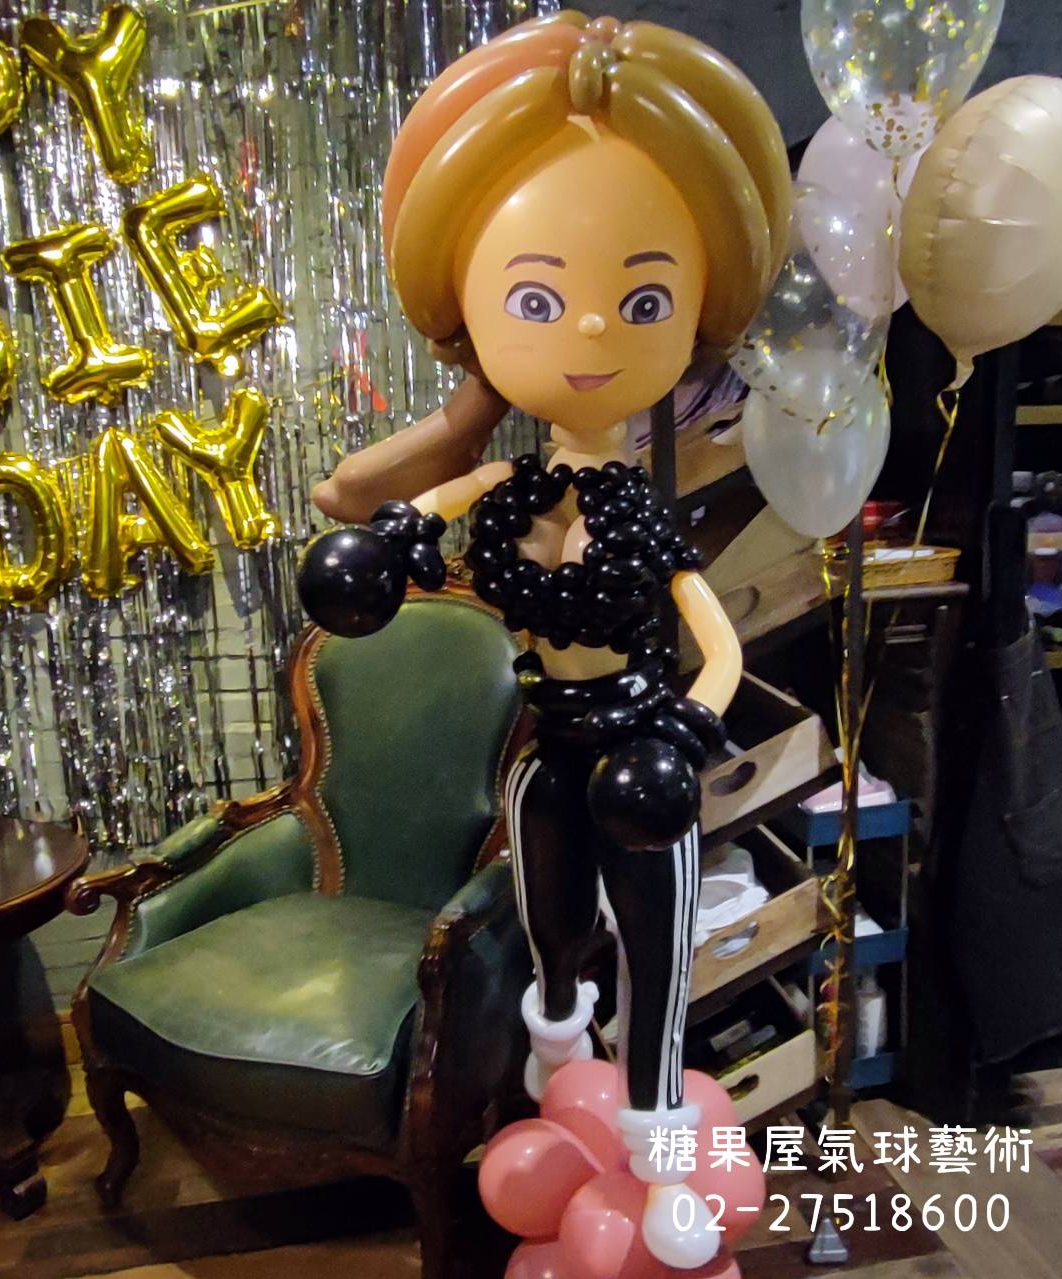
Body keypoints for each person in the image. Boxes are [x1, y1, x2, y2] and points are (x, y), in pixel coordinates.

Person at [300, 11, 788, 1267]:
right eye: (535, 297)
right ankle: (555, 1049)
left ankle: (661, 1158)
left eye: (641, 298)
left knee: (659, 962)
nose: (590, 333)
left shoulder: (642, 511)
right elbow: (353, 502)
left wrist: (691, 725)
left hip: (640, 754)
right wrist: (465, 413)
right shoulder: (501, 489)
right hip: (549, 758)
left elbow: (716, 645)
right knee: (555, 939)